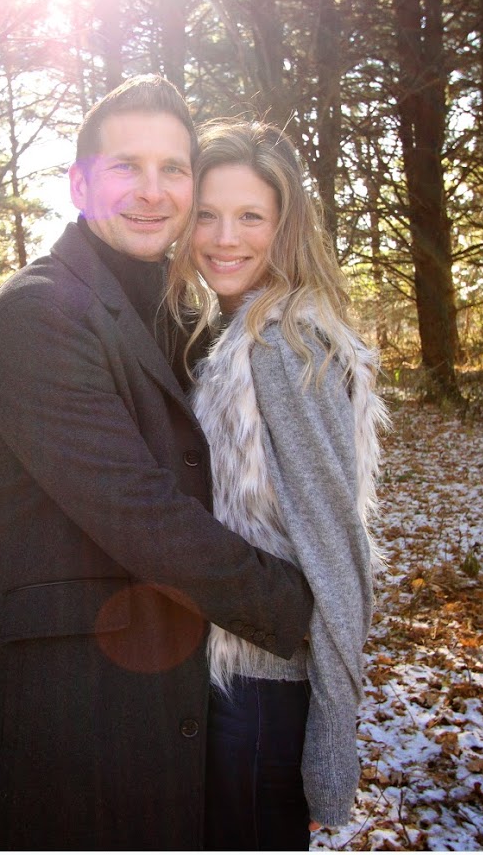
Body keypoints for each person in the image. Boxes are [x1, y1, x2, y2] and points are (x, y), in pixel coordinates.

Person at [0, 76, 315, 850]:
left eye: (173, 169)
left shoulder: (176, 309)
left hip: (155, 694)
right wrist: (294, 603)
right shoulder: (36, 312)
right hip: (68, 715)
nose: (153, 193)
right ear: (80, 182)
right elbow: (136, 506)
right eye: (125, 167)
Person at [165, 119, 386, 849]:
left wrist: (331, 749)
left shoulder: (281, 345)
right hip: (224, 686)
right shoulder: (230, 333)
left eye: (250, 216)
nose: (224, 237)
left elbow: (336, 549)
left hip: (258, 699)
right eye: (207, 213)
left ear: (285, 227)